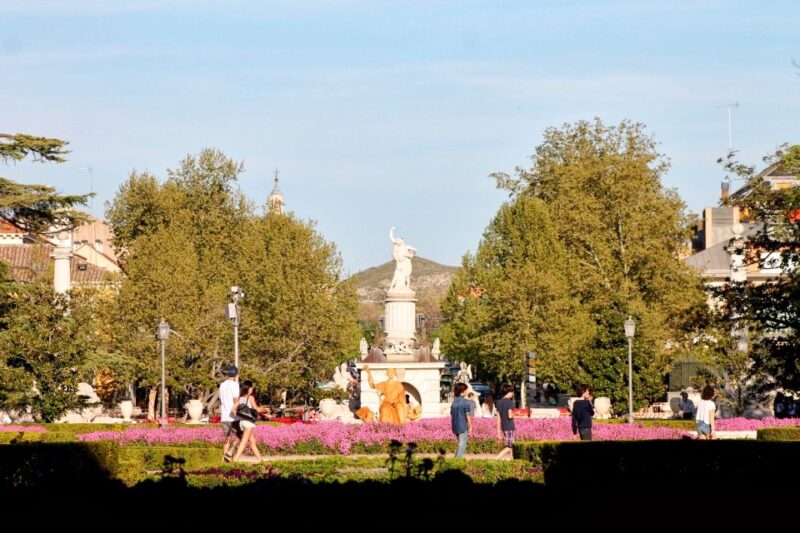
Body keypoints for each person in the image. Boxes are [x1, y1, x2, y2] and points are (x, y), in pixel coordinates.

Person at [231, 380, 264, 462]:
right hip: (248, 423)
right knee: (243, 442)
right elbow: (256, 409)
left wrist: (241, 414)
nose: (252, 389)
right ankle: (235, 459)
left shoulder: (239, 398)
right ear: (249, 388)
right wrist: (264, 409)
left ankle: (260, 460)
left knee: (252, 442)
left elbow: (233, 410)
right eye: (251, 387)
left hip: (241, 422)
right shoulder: (250, 397)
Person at [219, 365, 242, 462]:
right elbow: (236, 399)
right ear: (236, 374)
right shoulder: (235, 385)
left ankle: (224, 459)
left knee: (227, 438)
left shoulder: (222, 384)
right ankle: (230, 452)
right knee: (240, 436)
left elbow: (220, 399)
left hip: (224, 415)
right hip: (233, 416)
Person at [388, 226, 417, 291]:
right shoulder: (400, 250)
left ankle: (406, 287)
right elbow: (391, 238)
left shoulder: (405, 248)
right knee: (398, 277)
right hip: (401, 265)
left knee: (405, 276)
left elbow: (415, 250)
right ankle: (392, 288)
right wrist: (391, 230)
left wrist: (411, 254)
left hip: (405, 264)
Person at [450, 382, 473, 458]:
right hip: (462, 426)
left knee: (460, 444)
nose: (467, 391)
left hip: (455, 426)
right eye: (466, 390)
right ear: (462, 391)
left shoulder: (454, 402)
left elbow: (451, 413)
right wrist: (470, 426)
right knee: (462, 445)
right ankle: (457, 462)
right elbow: (468, 415)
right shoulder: (465, 402)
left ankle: (455, 460)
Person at [495, 383, 515, 460]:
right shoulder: (509, 402)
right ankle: (496, 459)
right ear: (509, 392)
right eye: (512, 392)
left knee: (512, 445)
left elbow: (498, 417)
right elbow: (510, 415)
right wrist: (517, 413)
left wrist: (498, 430)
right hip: (509, 426)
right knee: (509, 446)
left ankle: (513, 461)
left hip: (504, 426)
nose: (513, 394)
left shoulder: (499, 402)